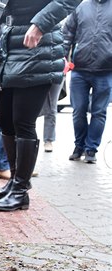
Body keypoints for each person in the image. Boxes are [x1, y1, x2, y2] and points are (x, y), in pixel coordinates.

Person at [0, 0, 79, 212]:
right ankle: (14, 180)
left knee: (23, 121)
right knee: (4, 119)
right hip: (9, 48)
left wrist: (40, 24)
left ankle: (20, 190)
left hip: (39, 48)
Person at [63, 0, 112, 164]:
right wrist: (63, 58)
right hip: (79, 70)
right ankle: (79, 146)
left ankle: (91, 149)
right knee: (78, 111)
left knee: (99, 112)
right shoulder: (80, 7)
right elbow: (67, 34)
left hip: (106, 71)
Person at [39, 81, 63, 153]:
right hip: (35, 72)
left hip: (57, 73)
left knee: (51, 107)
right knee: (31, 107)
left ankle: (48, 140)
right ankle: (27, 138)